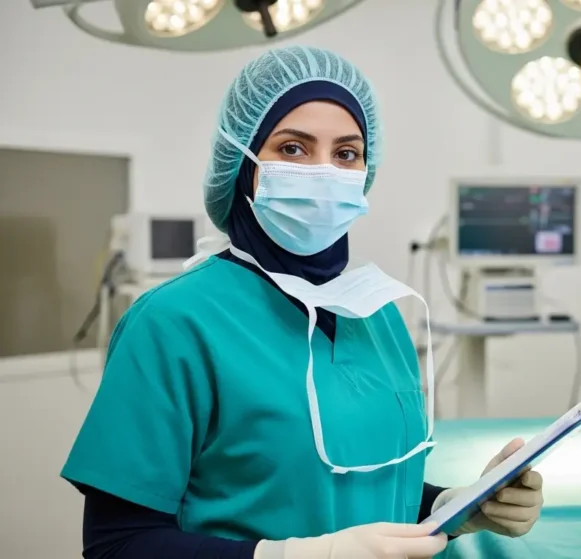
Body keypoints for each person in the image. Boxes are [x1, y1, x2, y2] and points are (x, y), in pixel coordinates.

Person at [61, 45, 544, 559]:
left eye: (346, 154)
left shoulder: (377, 314)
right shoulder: (173, 323)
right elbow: (118, 544)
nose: (325, 173)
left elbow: (356, 485)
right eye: (293, 149)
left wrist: (454, 506)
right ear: (242, 164)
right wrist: (288, 556)